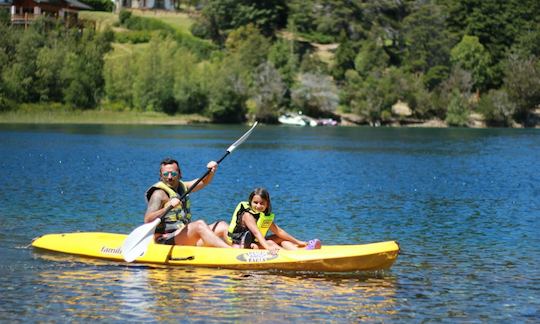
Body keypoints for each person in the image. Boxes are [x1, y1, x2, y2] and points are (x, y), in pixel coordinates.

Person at [144, 157, 230, 248]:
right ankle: (231, 252)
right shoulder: (158, 194)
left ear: (179, 174)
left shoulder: (183, 187)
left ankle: (240, 249)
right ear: (161, 175)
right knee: (199, 225)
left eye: (173, 173)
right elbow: (147, 219)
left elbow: (203, 182)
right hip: (165, 239)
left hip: (183, 236)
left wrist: (211, 171)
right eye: (165, 174)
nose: (169, 177)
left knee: (222, 225)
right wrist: (167, 208)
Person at [227, 187, 321, 252]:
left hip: (256, 241)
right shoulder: (247, 215)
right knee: (270, 242)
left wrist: (298, 242)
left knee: (280, 238)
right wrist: (268, 247)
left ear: (267, 204)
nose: (258, 206)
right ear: (250, 202)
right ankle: (288, 255)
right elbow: (256, 233)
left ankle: (300, 251)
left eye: (262, 203)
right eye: (255, 202)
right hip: (242, 244)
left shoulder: (263, 216)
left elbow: (278, 231)